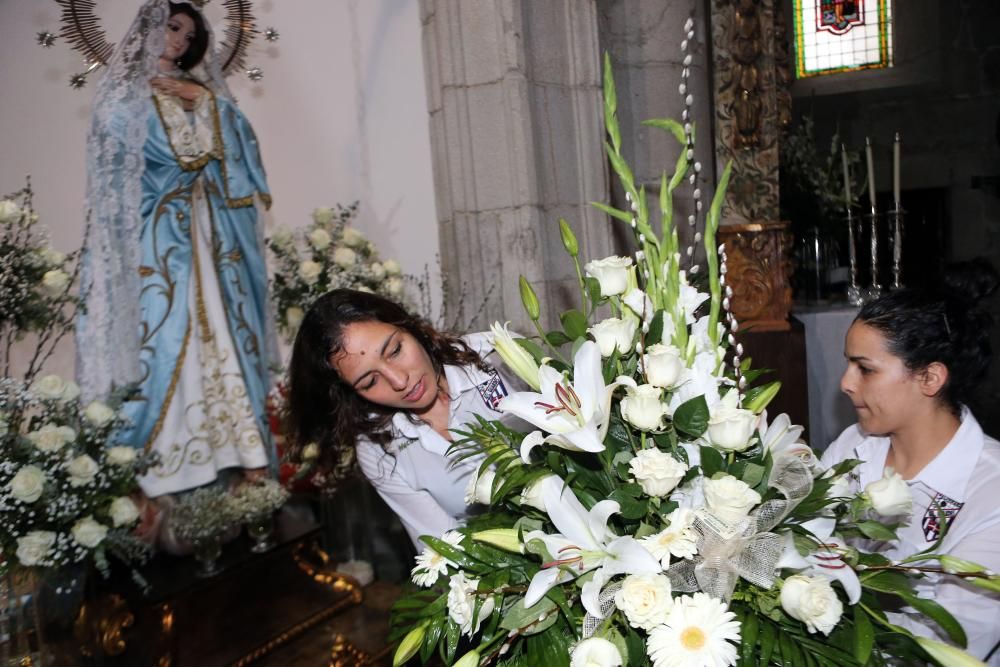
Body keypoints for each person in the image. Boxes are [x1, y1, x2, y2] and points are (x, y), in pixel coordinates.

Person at [77, 0, 276, 500]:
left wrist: (200, 101)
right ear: (148, 28)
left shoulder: (204, 94)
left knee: (223, 337)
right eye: (172, 29)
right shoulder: (122, 98)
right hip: (157, 242)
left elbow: (236, 147)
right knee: (165, 341)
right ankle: (162, 468)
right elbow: (125, 177)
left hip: (211, 239)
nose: (179, 42)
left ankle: (239, 453)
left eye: (188, 37)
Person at [820, 259, 1000, 663]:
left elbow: (946, 643)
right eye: (849, 364)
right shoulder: (855, 445)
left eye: (865, 369)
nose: (846, 383)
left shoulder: (991, 493)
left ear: (930, 378)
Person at [284, 289, 525, 549]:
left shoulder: (497, 356)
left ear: (408, 325)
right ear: (351, 392)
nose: (400, 381)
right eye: (370, 381)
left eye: (395, 350)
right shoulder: (379, 450)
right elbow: (445, 548)